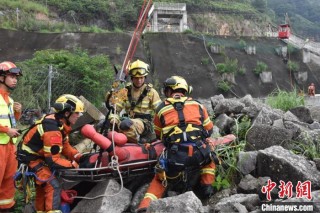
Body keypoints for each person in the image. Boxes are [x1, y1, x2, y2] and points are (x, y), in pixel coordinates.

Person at [137, 75, 216, 211]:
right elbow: (209, 130)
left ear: (169, 91)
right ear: (185, 90)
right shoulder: (198, 105)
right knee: (211, 158)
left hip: (175, 159)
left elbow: (159, 135)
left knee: (159, 179)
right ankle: (206, 189)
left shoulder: (161, 109)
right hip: (199, 156)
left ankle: (145, 206)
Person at [17, 94, 85, 212]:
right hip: (31, 159)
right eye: (77, 113)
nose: (79, 116)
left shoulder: (60, 124)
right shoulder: (52, 129)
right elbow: (53, 160)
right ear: (67, 113)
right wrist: (73, 165)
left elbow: (65, 146)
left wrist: (77, 156)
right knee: (52, 185)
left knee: (42, 188)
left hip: (37, 157)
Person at [108, 59, 161, 144]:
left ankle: (138, 142)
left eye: (141, 78)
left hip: (145, 124)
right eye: (136, 78)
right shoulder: (124, 91)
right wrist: (113, 119)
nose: (139, 80)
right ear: (132, 78)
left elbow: (160, 112)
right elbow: (114, 108)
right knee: (105, 124)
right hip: (128, 120)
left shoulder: (151, 92)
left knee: (125, 125)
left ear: (145, 77)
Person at [0, 61, 23, 212]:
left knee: (8, 183)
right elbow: (6, 126)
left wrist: (17, 112)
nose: (15, 80)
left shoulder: (10, 100)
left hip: (9, 147)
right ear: (1, 77)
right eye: (12, 76)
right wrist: (6, 130)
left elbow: (11, 121)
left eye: (16, 77)